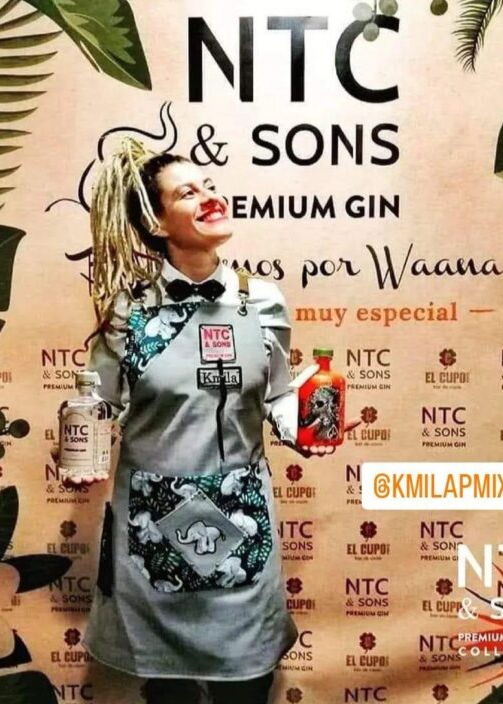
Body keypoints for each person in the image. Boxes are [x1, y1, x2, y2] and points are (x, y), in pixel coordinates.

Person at [71, 137, 348, 704]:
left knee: (246, 687)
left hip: (240, 519)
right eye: (188, 193)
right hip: (151, 524)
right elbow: (98, 404)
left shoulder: (261, 301)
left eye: (211, 186)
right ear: (157, 224)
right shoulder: (130, 309)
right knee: (167, 691)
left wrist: (302, 428)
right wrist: (78, 446)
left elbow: (276, 395)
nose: (210, 198)